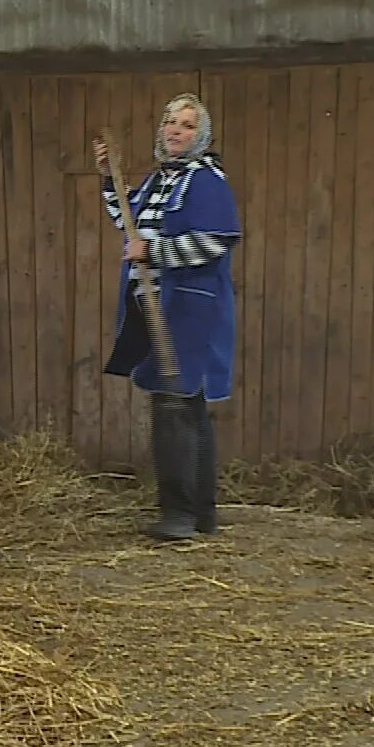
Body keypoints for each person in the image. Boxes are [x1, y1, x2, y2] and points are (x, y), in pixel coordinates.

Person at [93, 93, 241, 542]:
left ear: (203, 136)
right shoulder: (163, 179)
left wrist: (155, 250)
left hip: (187, 308)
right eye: (172, 123)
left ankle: (179, 514)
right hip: (155, 305)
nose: (176, 130)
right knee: (185, 406)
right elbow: (130, 222)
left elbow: (217, 239)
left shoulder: (204, 180)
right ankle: (201, 515)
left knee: (174, 404)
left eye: (188, 125)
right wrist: (107, 178)